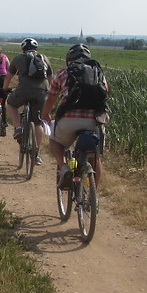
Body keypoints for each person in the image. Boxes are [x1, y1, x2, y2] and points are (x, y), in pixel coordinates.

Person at [42, 43, 110, 187]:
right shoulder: (98, 72)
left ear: (69, 59)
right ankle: (93, 195)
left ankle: (64, 166)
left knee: (55, 141)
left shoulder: (63, 73)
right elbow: (106, 94)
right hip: (95, 121)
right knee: (95, 156)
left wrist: (46, 114)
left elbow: (51, 97)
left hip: (69, 119)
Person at [4, 38, 51, 165]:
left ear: (23, 48)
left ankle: (18, 128)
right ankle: (36, 154)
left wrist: (5, 89)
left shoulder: (18, 58)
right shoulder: (44, 58)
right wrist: (49, 93)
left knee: (11, 104)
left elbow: (9, 76)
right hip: (42, 92)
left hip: (24, 90)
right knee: (37, 123)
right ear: (36, 49)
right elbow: (50, 78)